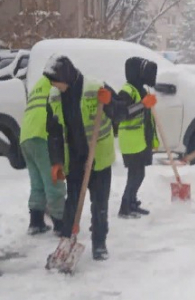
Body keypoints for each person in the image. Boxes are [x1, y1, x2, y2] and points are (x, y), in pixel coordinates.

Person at [43, 54, 130, 260]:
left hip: (98, 159)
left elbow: (122, 113)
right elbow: (53, 132)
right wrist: (56, 161)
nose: (55, 86)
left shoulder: (96, 87)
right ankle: (66, 242)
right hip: (74, 160)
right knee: (71, 204)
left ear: (67, 76)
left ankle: (99, 244)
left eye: (57, 81)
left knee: (99, 204)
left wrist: (110, 104)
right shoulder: (54, 96)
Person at [20, 76, 66, 236]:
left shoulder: (39, 84)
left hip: (26, 137)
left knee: (37, 182)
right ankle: (61, 223)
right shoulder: (56, 84)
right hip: (43, 135)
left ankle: (36, 221)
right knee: (54, 180)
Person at [117, 57, 159, 218]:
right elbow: (121, 113)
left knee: (138, 174)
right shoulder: (127, 90)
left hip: (140, 139)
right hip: (132, 140)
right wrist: (143, 104)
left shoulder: (140, 89)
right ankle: (125, 206)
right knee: (136, 174)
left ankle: (132, 202)